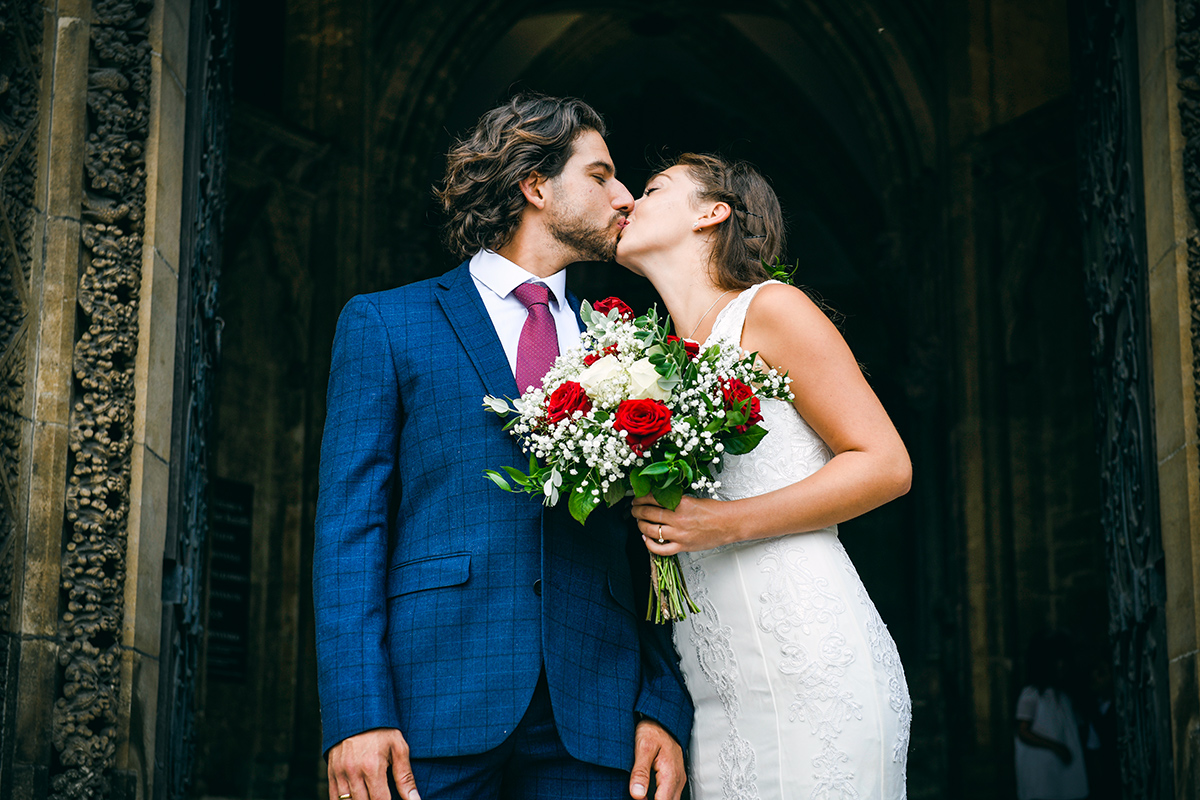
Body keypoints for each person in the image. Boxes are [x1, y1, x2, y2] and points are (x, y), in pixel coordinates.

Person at [312, 94, 692, 800]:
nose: (625, 196)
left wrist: (661, 703)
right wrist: (357, 714)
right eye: (602, 175)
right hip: (431, 706)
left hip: (601, 715)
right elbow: (349, 530)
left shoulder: (628, 347)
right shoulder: (386, 323)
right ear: (536, 185)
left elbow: (660, 539)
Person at [616, 153, 913, 798]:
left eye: (651, 189)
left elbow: (886, 464)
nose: (627, 202)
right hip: (714, 684)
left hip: (808, 659)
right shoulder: (646, 362)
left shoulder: (772, 309)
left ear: (711, 213)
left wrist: (721, 523)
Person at [1013, 631, 1089, 800]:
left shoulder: (1064, 696)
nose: (1061, 666)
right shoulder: (1031, 694)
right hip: (1041, 773)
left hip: (1061, 774)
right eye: (1056, 661)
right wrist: (1055, 746)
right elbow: (1023, 731)